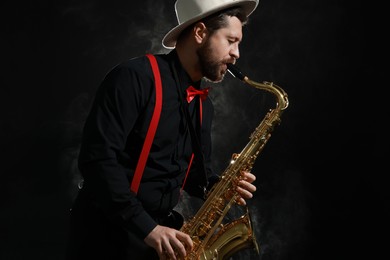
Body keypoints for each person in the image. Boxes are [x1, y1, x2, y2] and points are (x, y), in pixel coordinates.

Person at [66, 0, 260, 259]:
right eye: (231, 40)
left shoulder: (204, 106)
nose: (236, 53)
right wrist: (148, 228)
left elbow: (193, 176)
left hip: (157, 235)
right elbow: (97, 161)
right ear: (200, 33)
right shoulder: (133, 78)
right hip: (107, 235)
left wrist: (221, 187)